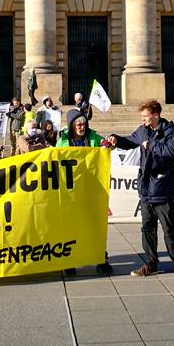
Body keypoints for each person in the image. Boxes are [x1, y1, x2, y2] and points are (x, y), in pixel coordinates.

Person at [107, 100, 174, 278]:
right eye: (142, 116)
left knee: (169, 228)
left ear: (156, 115)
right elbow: (130, 141)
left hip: (162, 187)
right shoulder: (142, 130)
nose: (143, 119)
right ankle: (150, 263)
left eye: (145, 116)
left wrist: (152, 145)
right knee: (147, 228)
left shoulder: (168, 130)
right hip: (145, 189)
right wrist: (116, 139)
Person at [56, 109, 114, 276]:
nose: (81, 127)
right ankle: (70, 260)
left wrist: (107, 144)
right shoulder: (63, 141)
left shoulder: (93, 137)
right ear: (72, 126)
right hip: (71, 191)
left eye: (83, 124)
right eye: (78, 125)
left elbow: (105, 145)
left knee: (95, 225)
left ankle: (100, 259)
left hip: (92, 189)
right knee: (71, 227)